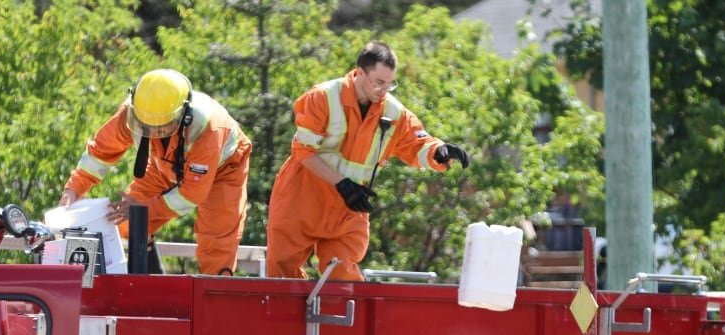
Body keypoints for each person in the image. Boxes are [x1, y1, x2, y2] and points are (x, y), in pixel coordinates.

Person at [266, 41, 470, 281]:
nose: (384, 89)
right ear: (360, 73)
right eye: (379, 82)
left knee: (343, 279)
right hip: (301, 201)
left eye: (390, 83)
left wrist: (439, 151)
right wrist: (342, 184)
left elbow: (415, 144)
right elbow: (304, 152)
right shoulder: (322, 97)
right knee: (281, 280)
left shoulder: (394, 113)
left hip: (348, 210)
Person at [59, 68, 253, 275]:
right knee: (124, 223)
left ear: (183, 115)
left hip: (223, 172)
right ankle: (149, 286)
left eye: (160, 128)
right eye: (145, 127)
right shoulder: (133, 112)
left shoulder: (208, 128)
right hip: (164, 163)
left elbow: (191, 194)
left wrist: (143, 210)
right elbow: (100, 153)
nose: (152, 132)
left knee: (216, 244)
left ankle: (215, 297)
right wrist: (73, 189)